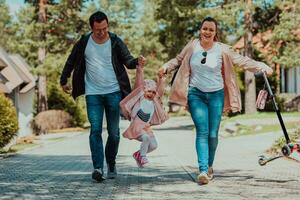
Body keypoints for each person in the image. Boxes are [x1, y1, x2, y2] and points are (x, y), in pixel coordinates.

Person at [158, 17, 273, 185]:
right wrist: (165, 67)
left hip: (216, 95)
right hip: (196, 94)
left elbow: (243, 61)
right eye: (205, 28)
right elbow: (177, 60)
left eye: (211, 29)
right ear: (200, 29)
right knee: (202, 131)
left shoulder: (222, 50)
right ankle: (203, 170)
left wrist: (262, 66)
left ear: (215, 32)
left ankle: (210, 165)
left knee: (213, 134)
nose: (207, 32)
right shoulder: (192, 46)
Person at [60, 11, 146, 182]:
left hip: (114, 92)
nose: (102, 32)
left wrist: (137, 61)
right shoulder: (84, 41)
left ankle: (111, 163)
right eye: (98, 30)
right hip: (93, 94)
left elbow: (127, 60)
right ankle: (98, 167)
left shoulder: (115, 41)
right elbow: (71, 61)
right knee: (96, 130)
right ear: (91, 27)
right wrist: (64, 79)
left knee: (114, 133)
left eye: (105, 28)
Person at [120, 59, 168, 168]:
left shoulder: (155, 100)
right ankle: (142, 158)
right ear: (144, 91)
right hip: (136, 126)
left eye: (153, 92)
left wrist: (161, 79)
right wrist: (140, 69)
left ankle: (138, 154)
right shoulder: (140, 97)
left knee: (154, 146)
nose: (151, 94)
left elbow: (160, 91)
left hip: (146, 127)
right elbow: (139, 84)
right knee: (146, 138)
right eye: (148, 91)